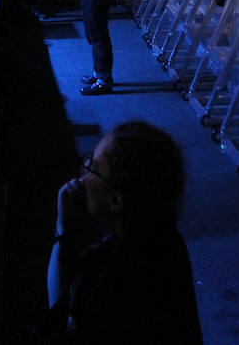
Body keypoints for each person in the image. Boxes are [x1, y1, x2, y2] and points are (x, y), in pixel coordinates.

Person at [46, 122, 203, 344]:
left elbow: (59, 319)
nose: (82, 179)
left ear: (116, 200)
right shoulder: (163, 240)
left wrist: (62, 230)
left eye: (92, 168)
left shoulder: (115, 276)